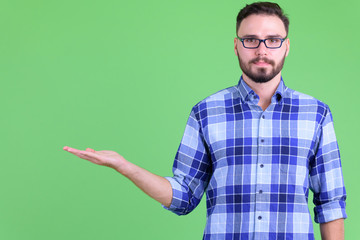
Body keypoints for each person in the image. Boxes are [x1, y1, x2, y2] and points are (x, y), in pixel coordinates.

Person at [63, 2, 347, 239]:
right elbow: (184, 195)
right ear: (237, 46)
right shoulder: (206, 111)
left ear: (286, 46)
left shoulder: (317, 113)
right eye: (251, 40)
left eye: (273, 40)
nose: (262, 50)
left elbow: (330, 203)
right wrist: (125, 167)